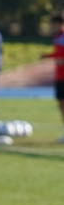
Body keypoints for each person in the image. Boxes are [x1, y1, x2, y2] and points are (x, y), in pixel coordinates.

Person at [43, 13, 64, 142]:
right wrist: (47, 56)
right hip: (59, 76)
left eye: (53, 24)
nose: (52, 26)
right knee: (61, 104)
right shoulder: (57, 37)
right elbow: (57, 54)